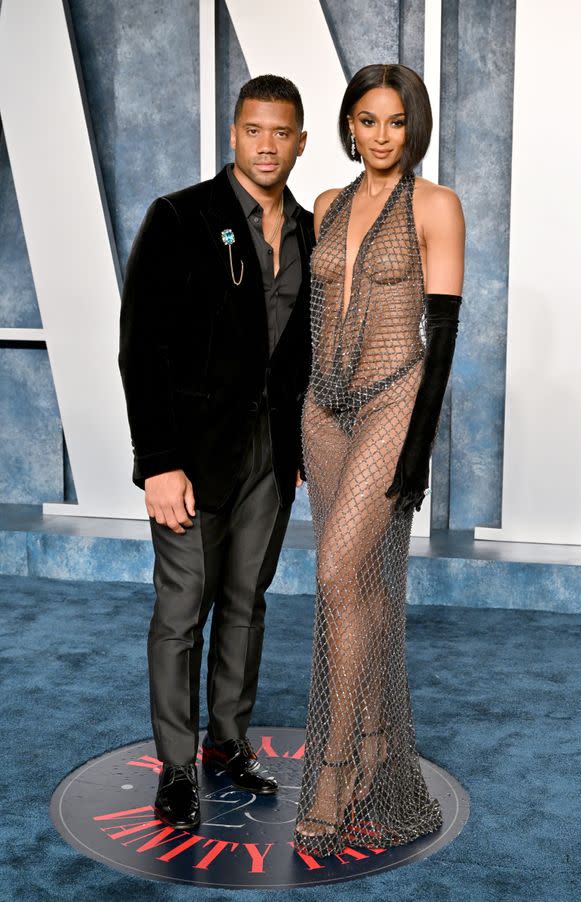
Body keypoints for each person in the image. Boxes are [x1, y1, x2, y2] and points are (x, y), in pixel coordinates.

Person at [119, 75, 314, 830]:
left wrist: (294, 448)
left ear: (299, 141)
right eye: (254, 130)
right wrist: (157, 461)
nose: (267, 145)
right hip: (191, 458)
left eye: (282, 132)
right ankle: (176, 764)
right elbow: (142, 348)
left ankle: (227, 741)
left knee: (245, 602)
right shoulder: (179, 217)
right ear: (234, 135)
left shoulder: (305, 226)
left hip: (271, 452)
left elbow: (294, 351)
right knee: (181, 609)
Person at [294, 64, 465, 854]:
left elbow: (444, 339)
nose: (381, 137)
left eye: (396, 122)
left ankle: (334, 768)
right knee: (348, 590)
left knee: (336, 572)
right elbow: (305, 315)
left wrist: (418, 456)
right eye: (367, 121)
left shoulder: (436, 206)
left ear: (414, 127)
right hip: (323, 411)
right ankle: (369, 748)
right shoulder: (327, 205)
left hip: (394, 402)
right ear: (349, 126)